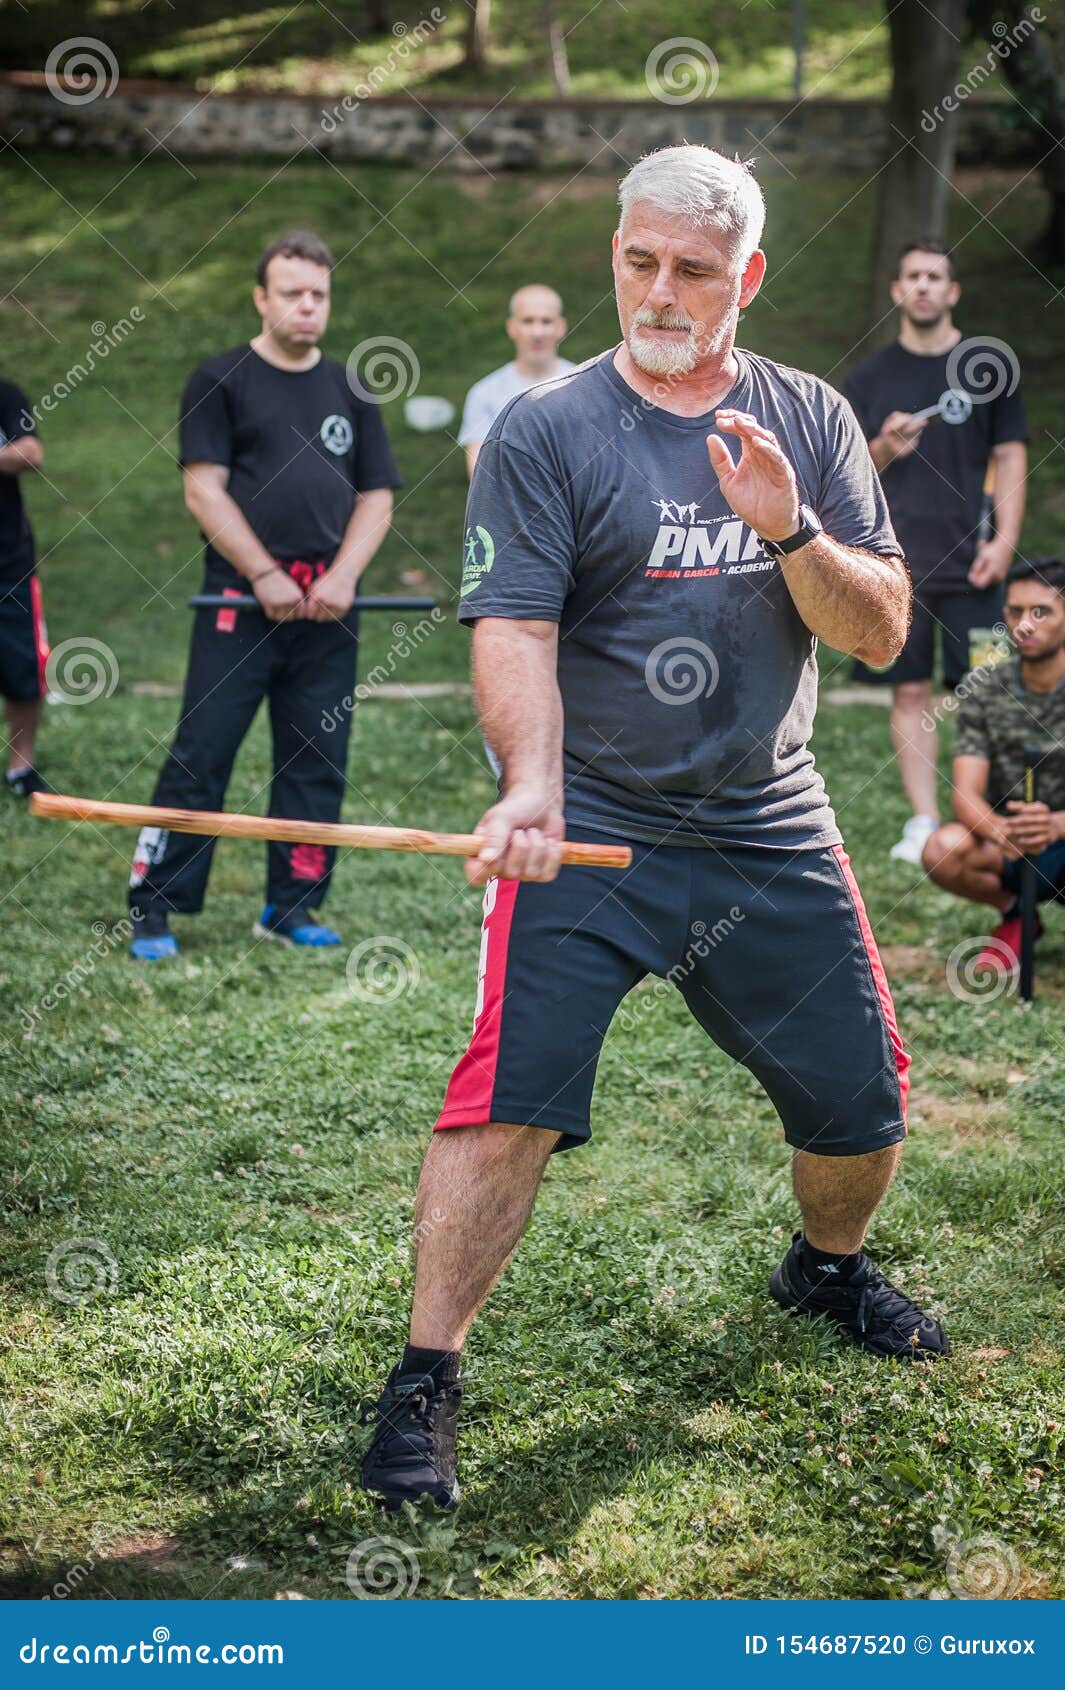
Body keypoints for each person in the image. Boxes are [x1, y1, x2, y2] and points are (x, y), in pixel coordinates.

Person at [360, 145, 948, 1517]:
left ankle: (826, 1265)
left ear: (745, 274)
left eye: (693, 267)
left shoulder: (808, 418)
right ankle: (424, 1373)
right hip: (592, 824)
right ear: (612, 254)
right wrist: (528, 788)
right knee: (505, 1097)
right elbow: (513, 628)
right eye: (638, 260)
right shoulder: (546, 430)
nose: (659, 290)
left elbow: (878, 632)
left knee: (863, 1096)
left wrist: (789, 528)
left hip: (765, 817)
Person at [127, 230, 400, 961]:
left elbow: (376, 497)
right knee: (202, 749)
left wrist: (342, 574)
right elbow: (202, 489)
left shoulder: (350, 388)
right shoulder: (220, 380)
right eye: (292, 294)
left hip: (331, 607)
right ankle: (155, 904)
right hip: (240, 601)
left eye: (318, 294)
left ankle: (291, 903)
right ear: (261, 298)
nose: (307, 307)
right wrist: (263, 574)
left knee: (317, 754)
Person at [841, 242, 1028, 865]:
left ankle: (993, 815)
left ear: (952, 292)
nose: (924, 287)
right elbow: (847, 473)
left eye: (936, 277)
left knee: (992, 692)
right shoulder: (868, 379)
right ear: (897, 290)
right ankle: (924, 820)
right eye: (913, 276)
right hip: (898, 568)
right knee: (911, 694)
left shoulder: (985, 366)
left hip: (974, 563)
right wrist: (886, 446)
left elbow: (1010, 456)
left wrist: (1002, 541)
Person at [922, 558, 1065, 973]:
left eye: (1041, 612)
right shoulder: (984, 687)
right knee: (943, 848)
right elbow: (965, 793)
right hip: (1011, 842)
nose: (1025, 624)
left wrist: (1055, 825)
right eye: (1015, 611)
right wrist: (1005, 831)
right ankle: (1017, 911)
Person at [458, 284, 574, 479]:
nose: (537, 332)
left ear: (561, 327)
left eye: (546, 321)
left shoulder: (584, 385)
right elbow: (481, 476)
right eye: (528, 321)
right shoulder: (484, 393)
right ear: (512, 327)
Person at [0, 377, 48, 798]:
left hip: (8, 565)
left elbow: (30, 453)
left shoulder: (6, 394)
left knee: (24, 671)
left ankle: (21, 767)